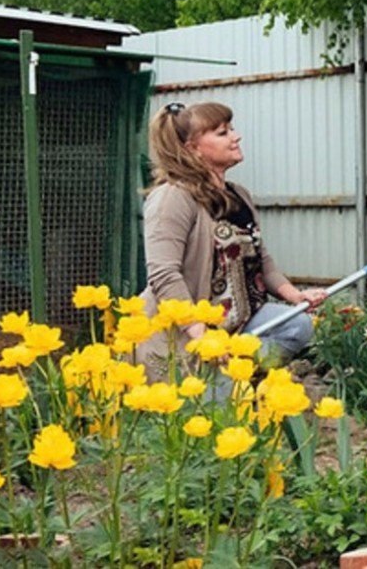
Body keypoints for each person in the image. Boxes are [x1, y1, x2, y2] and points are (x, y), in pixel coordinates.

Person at [136, 101, 326, 378]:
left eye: (232, 129)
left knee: (296, 325)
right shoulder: (172, 198)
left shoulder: (239, 195)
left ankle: (239, 374)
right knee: (212, 412)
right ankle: (217, 379)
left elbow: (263, 260)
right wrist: (198, 332)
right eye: (223, 133)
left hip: (239, 323)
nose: (236, 137)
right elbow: (164, 273)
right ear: (192, 148)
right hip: (187, 332)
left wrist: (295, 296)